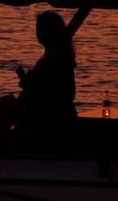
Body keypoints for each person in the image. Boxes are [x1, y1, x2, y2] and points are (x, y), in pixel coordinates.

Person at [13, 10, 77, 142]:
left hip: (51, 123)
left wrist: (30, 85)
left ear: (50, 31)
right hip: (50, 118)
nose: (37, 32)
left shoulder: (58, 58)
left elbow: (56, 93)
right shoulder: (54, 55)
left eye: (39, 28)